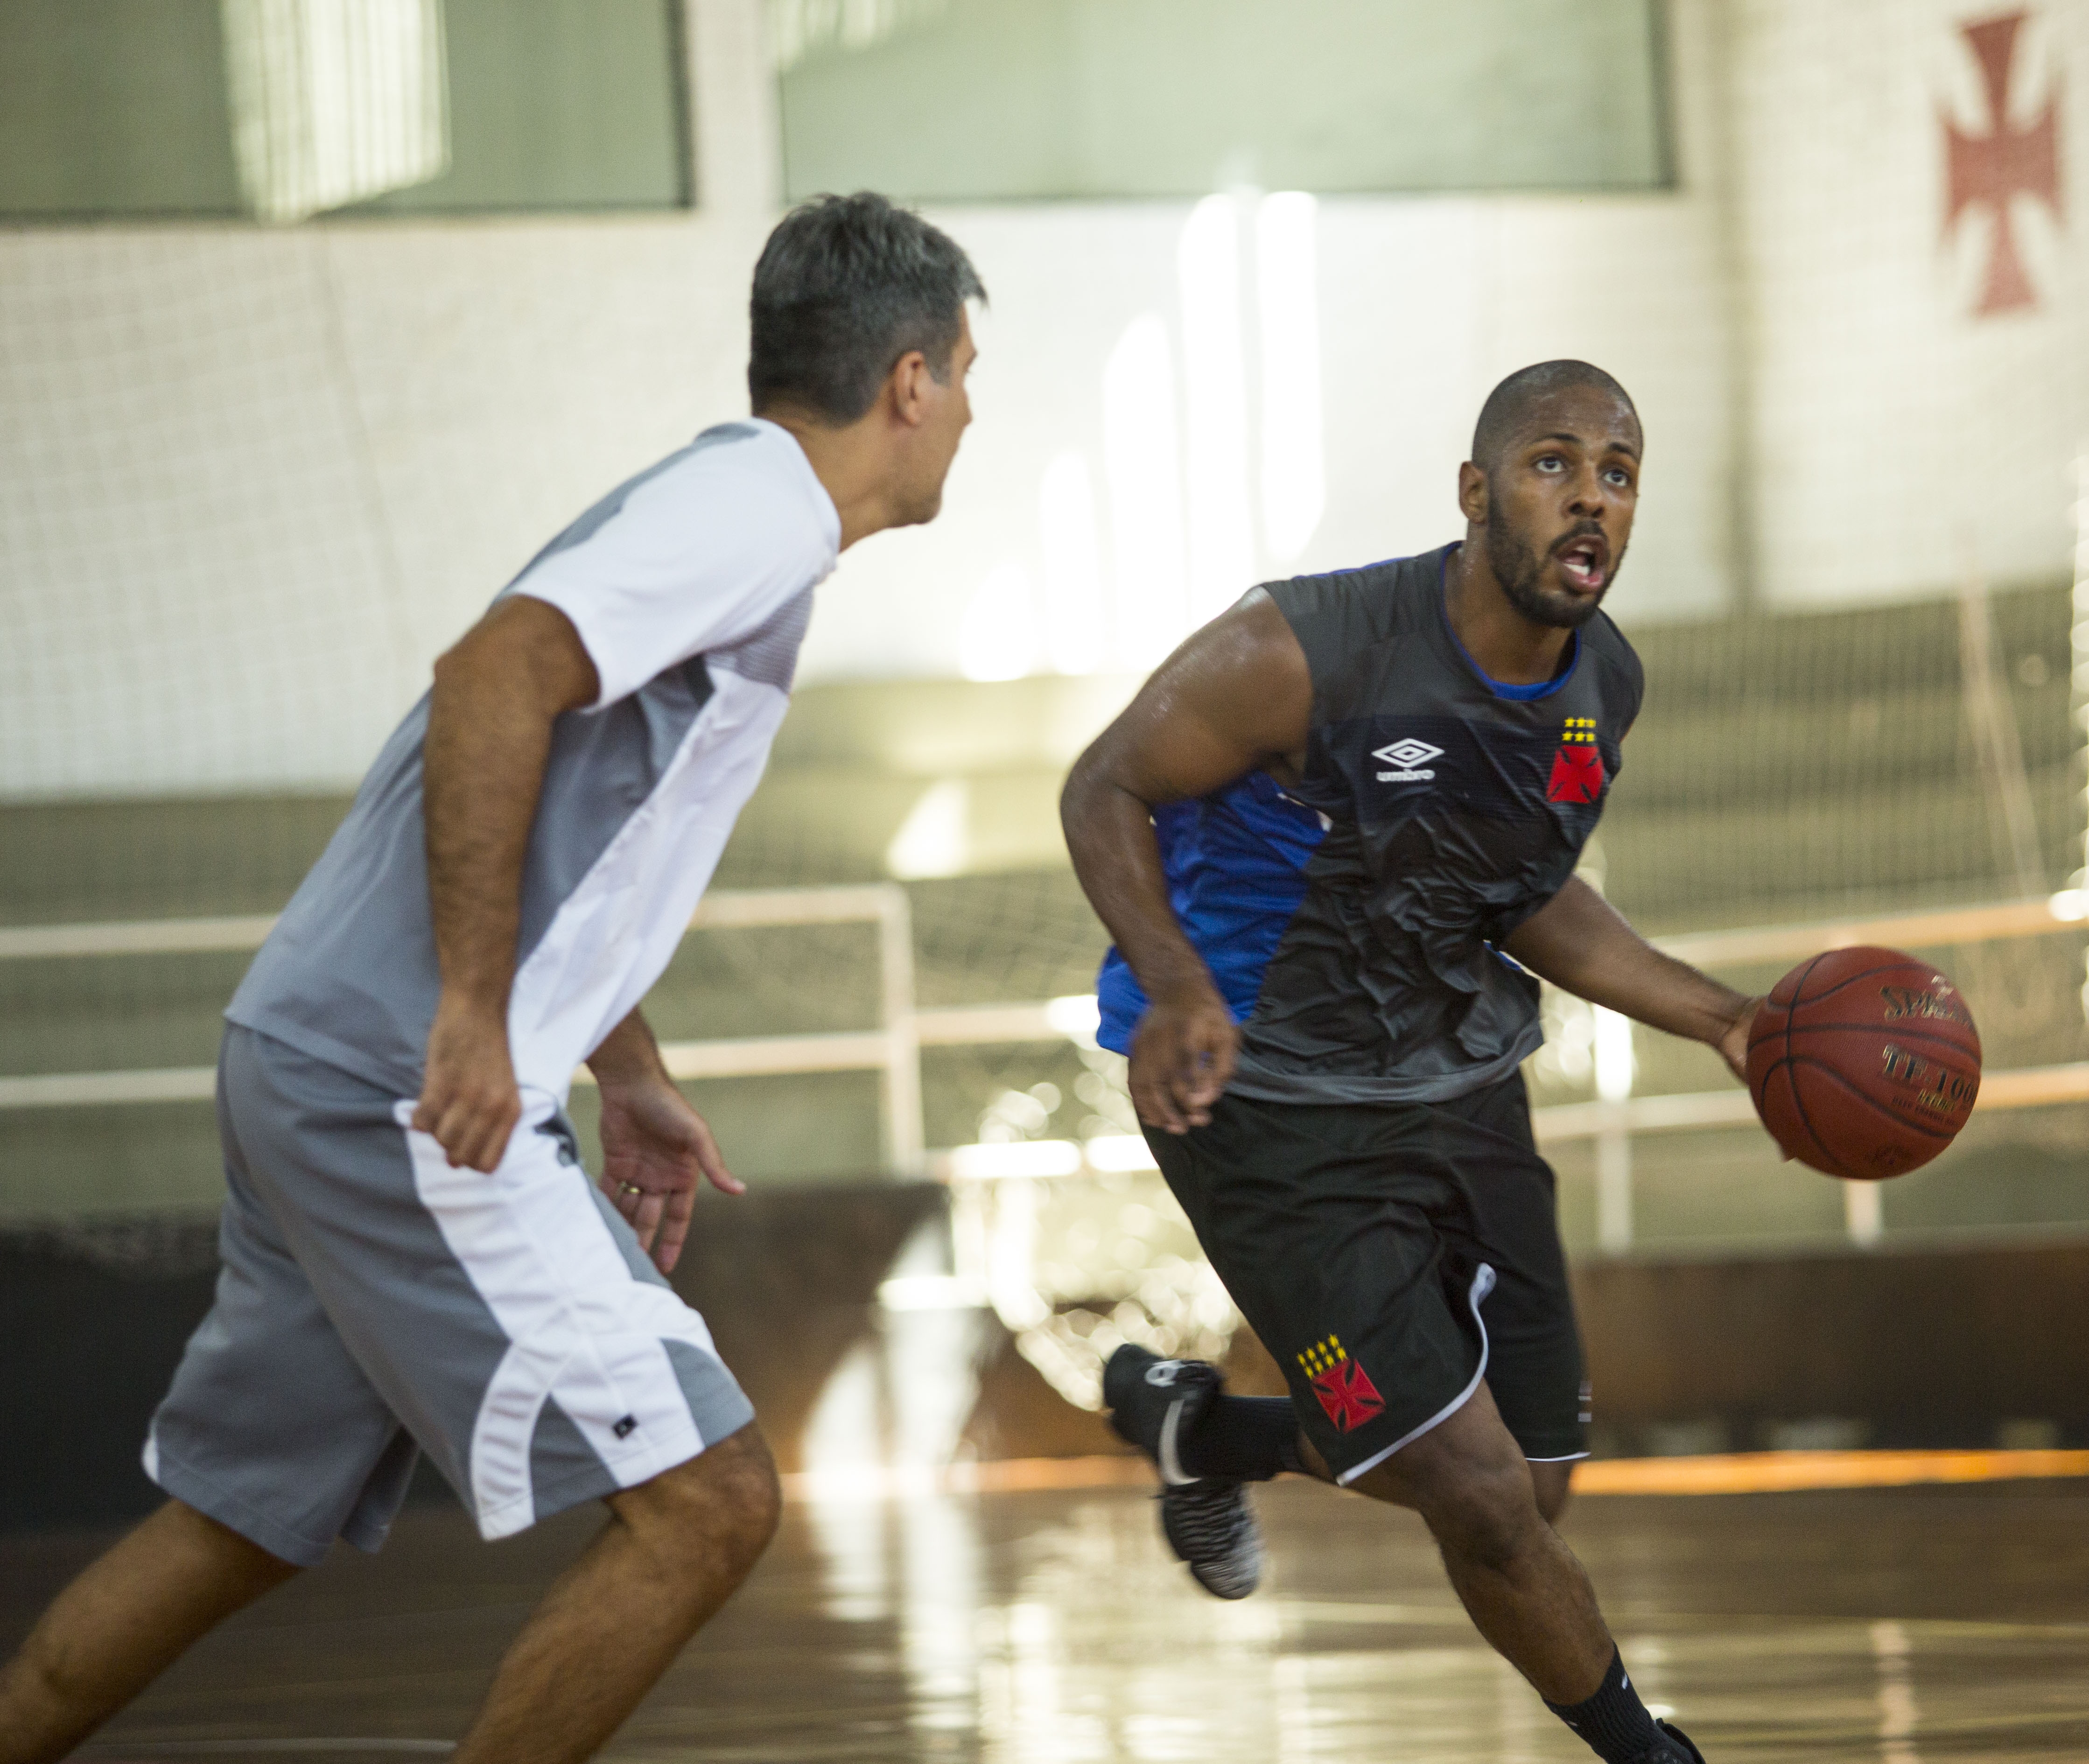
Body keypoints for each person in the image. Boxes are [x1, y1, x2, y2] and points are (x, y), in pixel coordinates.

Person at [0, 192, 984, 1764]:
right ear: (913, 381)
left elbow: (572, 839)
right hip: (400, 1073)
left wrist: (625, 1061)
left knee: (231, 1526)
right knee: (708, 1502)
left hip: (304, 1047)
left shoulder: (725, 509)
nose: (969, 416)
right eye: (968, 376)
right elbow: (493, 674)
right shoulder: (758, 515)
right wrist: (468, 1013)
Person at [1061, 361, 1755, 1764]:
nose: (1590, 497)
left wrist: (1727, 1020)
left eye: (1617, 472)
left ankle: (1202, 1431)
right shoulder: (1307, 648)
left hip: (1457, 1082)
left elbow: (1523, 889)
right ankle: (1650, 1752)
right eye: (1553, 463)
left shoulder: (1598, 686)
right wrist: (1180, 987)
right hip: (1262, 1100)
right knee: (1482, 1495)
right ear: (1475, 492)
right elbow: (1104, 785)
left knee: (1534, 1480)